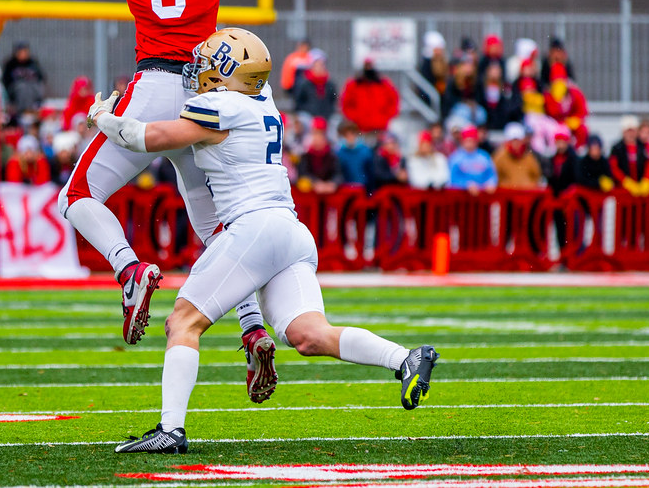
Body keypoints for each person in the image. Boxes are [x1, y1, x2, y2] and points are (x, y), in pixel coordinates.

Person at [89, 29, 439, 454]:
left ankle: (170, 429)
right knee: (308, 335)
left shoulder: (218, 104)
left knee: (182, 322)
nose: (199, 70)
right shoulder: (264, 100)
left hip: (252, 226)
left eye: (209, 63)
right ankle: (405, 359)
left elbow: (145, 139)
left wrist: (104, 117)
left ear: (228, 73)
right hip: (290, 231)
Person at [57, 0, 276, 400]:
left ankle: (129, 270)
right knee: (213, 224)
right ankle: (252, 328)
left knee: (78, 195)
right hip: (207, 84)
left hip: (154, 82)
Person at [340, 58, 399, 137]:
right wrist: (356, 119)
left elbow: (394, 101)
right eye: (367, 66)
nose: (369, 68)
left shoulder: (384, 84)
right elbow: (345, 104)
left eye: (370, 66)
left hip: (380, 129)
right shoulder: (353, 85)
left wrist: (384, 118)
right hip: (359, 129)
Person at [609, 115, 649, 197]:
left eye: (633, 131)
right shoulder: (617, 148)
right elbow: (613, 167)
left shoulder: (643, 147)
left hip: (641, 190)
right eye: (628, 131)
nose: (630, 134)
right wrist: (625, 181)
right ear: (623, 132)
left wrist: (647, 180)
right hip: (623, 190)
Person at [447, 125, 497, 194]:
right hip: (461, 198)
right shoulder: (456, 158)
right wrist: (466, 185)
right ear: (463, 141)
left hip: (482, 198)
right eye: (467, 141)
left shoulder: (484, 156)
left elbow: (492, 175)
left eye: (472, 141)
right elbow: (452, 179)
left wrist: (490, 183)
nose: (469, 144)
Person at [296, 117, 340, 194]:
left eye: (320, 134)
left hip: (329, 192)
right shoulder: (306, 155)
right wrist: (315, 182)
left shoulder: (332, 155)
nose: (317, 137)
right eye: (315, 134)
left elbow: (338, 174)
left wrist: (332, 183)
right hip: (310, 195)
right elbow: (302, 173)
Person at [492, 122, 542, 189]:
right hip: (507, 196)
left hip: (527, 196)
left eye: (518, 141)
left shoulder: (528, 157)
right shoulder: (500, 157)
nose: (516, 144)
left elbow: (536, 175)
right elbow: (494, 177)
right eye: (513, 141)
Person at [291, 49, 338, 121]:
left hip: (326, 119)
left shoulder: (329, 84)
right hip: (309, 119)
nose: (320, 67)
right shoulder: (304, 84)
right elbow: (298, 103)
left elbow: (332, 101)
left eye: (322, 64)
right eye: (317, 64)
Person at [2, 41, 46, 116]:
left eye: (25, 52)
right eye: (21, 52)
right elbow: (5, 80)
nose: (23, 54)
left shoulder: (33, 63)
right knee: (22, 87)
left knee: (30, 87)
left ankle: (32, 110)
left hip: (31, 90)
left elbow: (41, 78)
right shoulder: (11, 64)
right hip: (16, 92)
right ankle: (23, 112)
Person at [335, 121, 372, 189]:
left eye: (352, 133)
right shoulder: (338, 152)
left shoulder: (365, 151)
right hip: (345, 189)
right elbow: (338, 173)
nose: (350, 137)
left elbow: (370, 172)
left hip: (364, 188)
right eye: (346, 135)